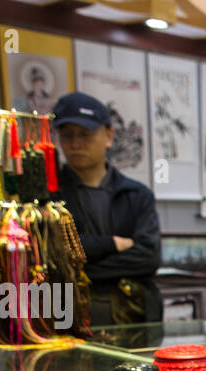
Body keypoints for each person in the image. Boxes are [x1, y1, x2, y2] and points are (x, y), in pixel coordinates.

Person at [50, 91, 163, 346]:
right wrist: (111, 244)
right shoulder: (48, 197)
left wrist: (81, 263)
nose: (75, 143)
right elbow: (53, 258)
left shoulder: (136, 194)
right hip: (67, 322)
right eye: (67, 135)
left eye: (85, 134)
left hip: (133, 319)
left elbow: (149, 257)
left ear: (109, 135)